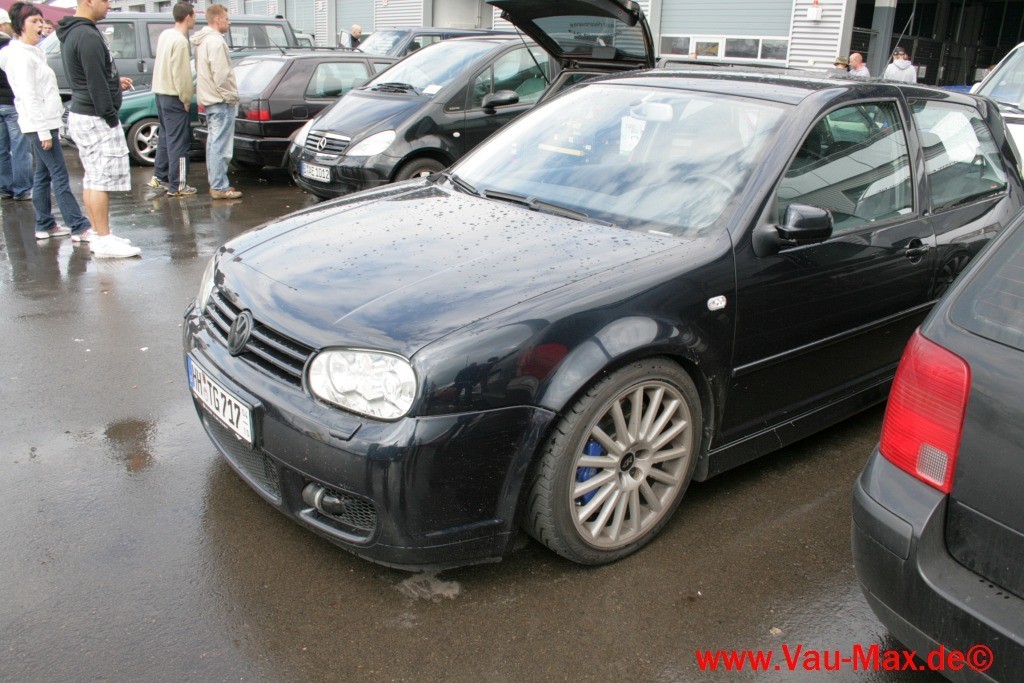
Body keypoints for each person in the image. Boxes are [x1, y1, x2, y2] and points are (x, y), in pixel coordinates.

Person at [1, 2, 92, 241]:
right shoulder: (21, 56)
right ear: (20, 26)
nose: (40, 25)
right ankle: (79, 226)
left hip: (45, 122)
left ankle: (45, 224)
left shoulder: (33, 51)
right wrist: (42, 131)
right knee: (59, 175)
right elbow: (29, 96)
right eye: (34, 21)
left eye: (41, 20)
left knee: (43, 175)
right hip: (39, 124)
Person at [56, 0, 140, 258]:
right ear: (89, 1)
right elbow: (94, 82)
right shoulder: (86, 34)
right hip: (95, 115)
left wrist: (114, 82)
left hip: (85, 113)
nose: (109, 5)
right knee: (100, 180)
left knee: (93, 178)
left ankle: (100, 234)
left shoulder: (74, 31)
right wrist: (110, 116)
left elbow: (93, 75)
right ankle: (103, 239)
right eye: (105, 1)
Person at [192, 3, 241, 200]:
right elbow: (221, 74)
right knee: (221, 146)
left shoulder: (202, 41)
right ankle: (220, 186)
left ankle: (216, 183)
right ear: (218, 19)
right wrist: (230, 96)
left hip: (209, 99)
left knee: (213, 143)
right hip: (220, 100)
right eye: (227, 19)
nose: (229, 23)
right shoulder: (216, 42)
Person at [150, 1, 196, 197]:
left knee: (166, 137)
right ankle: (178, 185)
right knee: (179, 142)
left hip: (160, 93)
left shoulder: (165, 35)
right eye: (194, 16)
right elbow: (181, 74)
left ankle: (160, 176)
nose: (195, 19)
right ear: (188, 17)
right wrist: (186, 98)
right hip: (174, 96)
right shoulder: (181, 41)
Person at [0, 8, 33, 202]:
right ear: (3, 25)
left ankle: (5, 188)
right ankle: (22, 190)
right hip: (12, 103)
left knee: (1, 150)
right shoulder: (12, 48)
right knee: (20, 148)